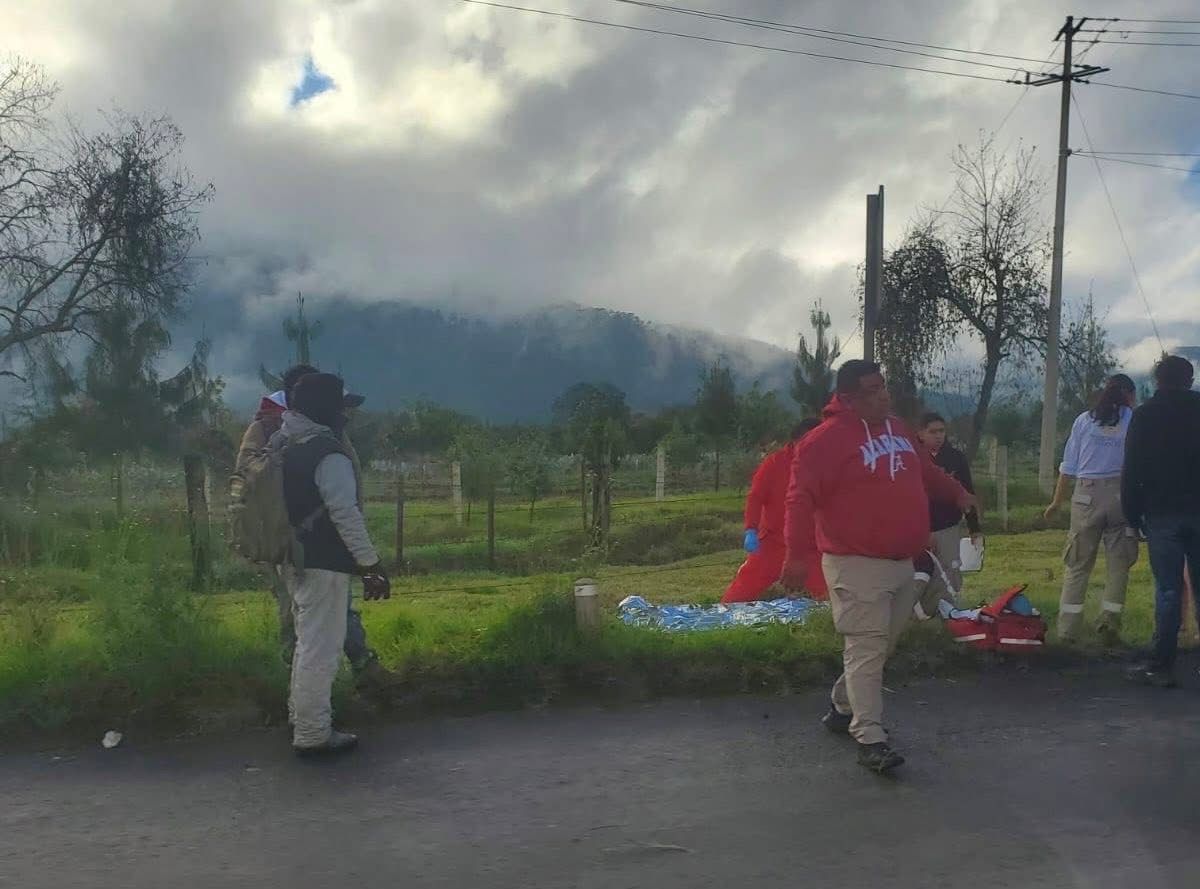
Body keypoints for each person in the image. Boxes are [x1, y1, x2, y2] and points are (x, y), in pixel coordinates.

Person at [781, 360, 974, 773]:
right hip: (854, 563)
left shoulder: (898, 428)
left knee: (879, 648)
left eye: (883, 386)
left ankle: (841, 706)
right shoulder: (822, 443)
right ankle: (870, 736)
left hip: (903, 561)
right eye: (873, 390)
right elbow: (799, 500)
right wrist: (795, 556)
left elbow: (925, 471)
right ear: (848, 398)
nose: (884, 395)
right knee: (867, 646)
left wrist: (958, 494)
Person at [235, 365, 384, 683]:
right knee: (295, 614)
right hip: (289, 541)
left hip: (329, 540)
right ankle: (302, 689)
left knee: (339, 606)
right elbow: (251, 482)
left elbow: (345, 493)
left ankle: (353, 668)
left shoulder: (327, 430)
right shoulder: (268, 431)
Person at [277, 372, 391, 754]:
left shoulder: (287, 444)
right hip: (324, 562)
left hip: (295, 557)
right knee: (321, 651)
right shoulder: (327, 453)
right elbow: (345, 514)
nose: (346, 414)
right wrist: (371, 565)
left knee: (307, 644)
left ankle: (302, 718)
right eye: (341, 406)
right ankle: (312, 735)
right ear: (327, 409)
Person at [1122, 355, 1200, 688]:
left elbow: (1133, 469)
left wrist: (1132, 513)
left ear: (1157, 380)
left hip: (1161, 513)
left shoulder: (1145, 415)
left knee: (1168, 589)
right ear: (1190, 378)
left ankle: (1162, 665)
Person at [1044, 374, 1139, 646]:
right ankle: (1109, 624)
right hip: (1120, 495)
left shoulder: (1084, 421)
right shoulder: (1132, 420)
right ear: (1129, 396)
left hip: (1085, 495)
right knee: (1119, 565)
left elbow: (1068, 467)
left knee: (1077, 565)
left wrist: (1056, 501)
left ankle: (1067, 630)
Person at [722, 418, 826, 604]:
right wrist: (751, 530)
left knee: (830, 600)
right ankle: (721, 624)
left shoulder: (827, 465)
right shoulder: (774, 464)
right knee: (737, 597)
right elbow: (755, 498)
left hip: (811, 547)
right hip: (773, 544)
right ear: (797, 440)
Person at [912, 412, 983, 620]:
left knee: (949, 572)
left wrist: (975, 528)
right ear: (920, 433)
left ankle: (948, 615)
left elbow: (966, 493)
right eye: (932, 432)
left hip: (948, 527)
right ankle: (917, 616)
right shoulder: (911, 458)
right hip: (917, 530)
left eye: (941, 431)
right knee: (919, 574)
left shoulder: (956, 459)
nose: (938, 436)